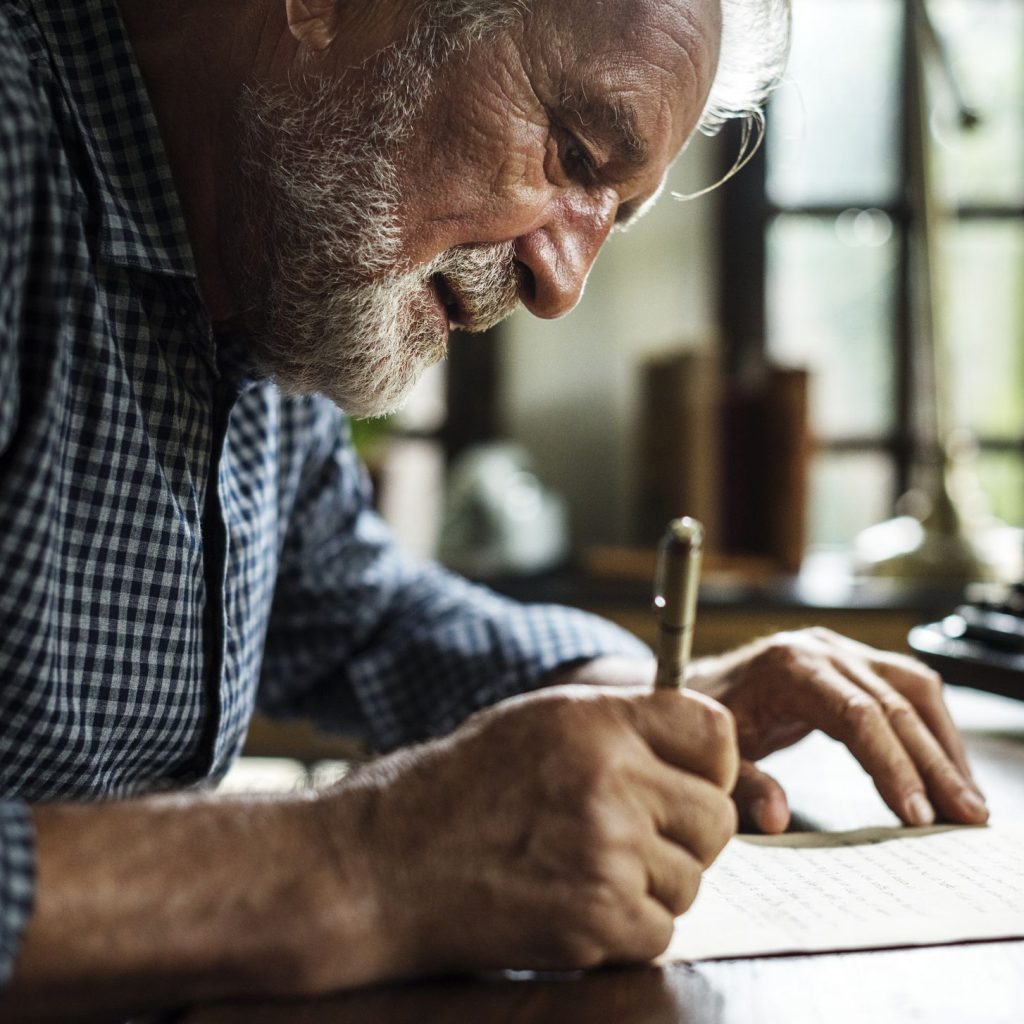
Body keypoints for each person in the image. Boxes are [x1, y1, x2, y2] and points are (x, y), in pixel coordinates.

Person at [0, 0, 988, 1016]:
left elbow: (359, 614)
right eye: (572, 153)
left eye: (614, 208)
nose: (561, 287)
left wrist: (659, 693)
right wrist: (366, 864)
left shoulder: (264, 267)